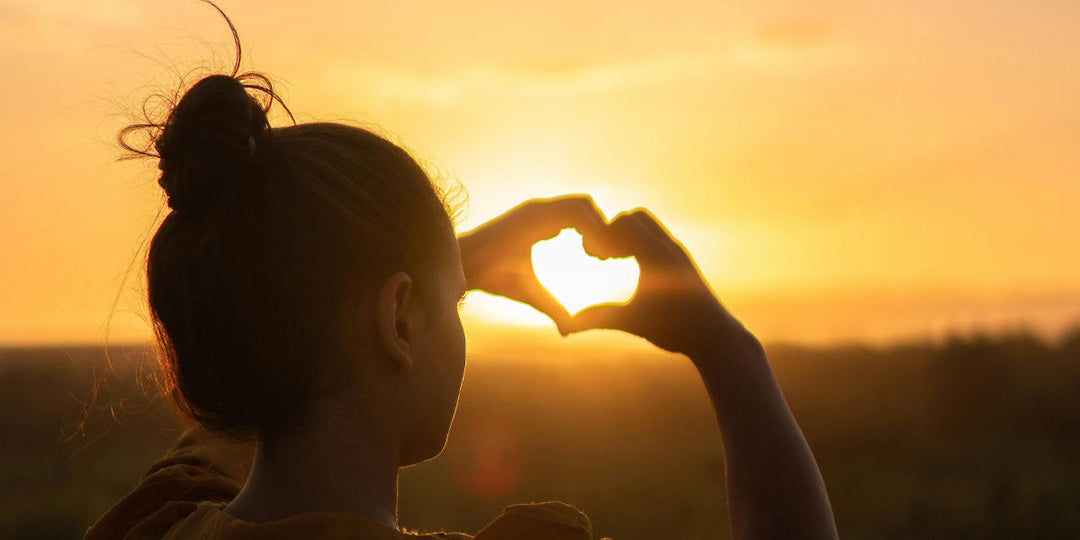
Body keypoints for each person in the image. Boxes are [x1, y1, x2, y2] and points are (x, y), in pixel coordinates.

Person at [86, 9, 837, 540]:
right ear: (399, 319)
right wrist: (730, 352)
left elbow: (268, 345)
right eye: (457, 303)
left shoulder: (161, 521)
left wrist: (433, 268)